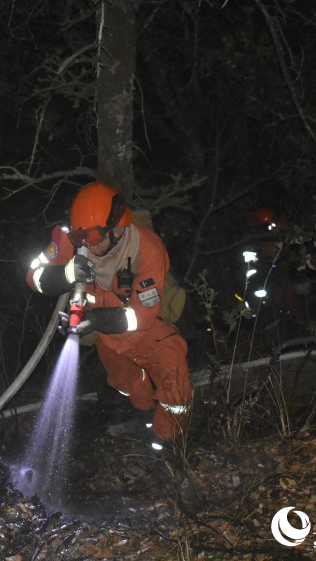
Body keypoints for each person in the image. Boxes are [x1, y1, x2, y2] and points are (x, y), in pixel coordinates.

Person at [26, 182, 193, 448]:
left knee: (174, 381)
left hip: (152, 331)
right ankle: (145, 418)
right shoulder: (73, 238)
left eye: (92, 238)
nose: (85, 246)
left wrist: (99, 319)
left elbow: (144, 316)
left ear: (115, 228)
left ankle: (167, 443)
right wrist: (66, 274)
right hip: (107, 333)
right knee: (125, 381)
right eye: (80, 238)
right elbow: (33, 275)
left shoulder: (146, 248)